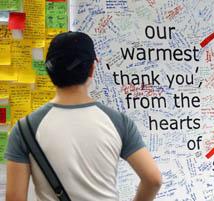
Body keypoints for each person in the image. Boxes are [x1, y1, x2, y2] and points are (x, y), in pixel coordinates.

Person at [5, 31, 162, 201]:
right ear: (92, 68)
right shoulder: (118, 122)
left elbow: (14, 198)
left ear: (49, 70)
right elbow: (153, 180)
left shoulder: (24, 128)